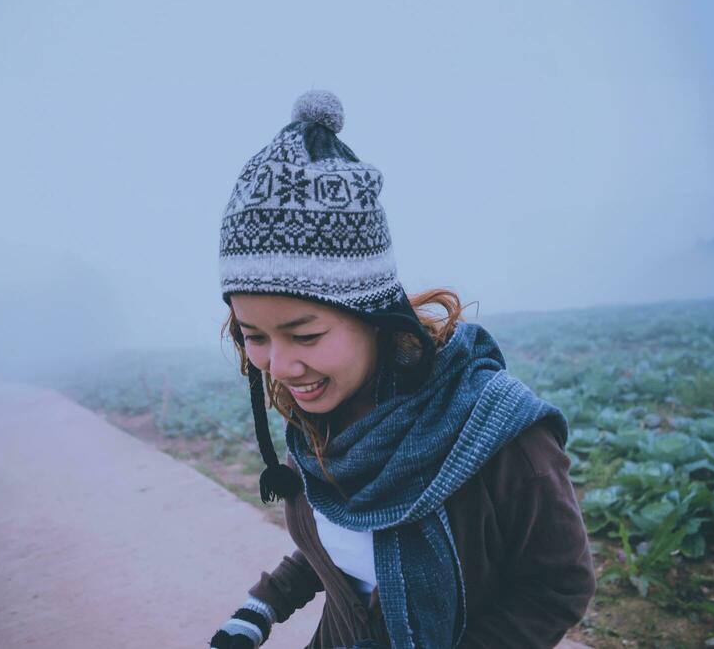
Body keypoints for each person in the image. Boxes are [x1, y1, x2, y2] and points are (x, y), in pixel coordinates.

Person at [207, 90, 595, 649]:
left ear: (376, 316)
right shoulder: (318, 417)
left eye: (306, 334)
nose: (281, 366)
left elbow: (559, 584)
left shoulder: (503, 440)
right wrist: (257, 609)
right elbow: (342, 539)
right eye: (254, 336)